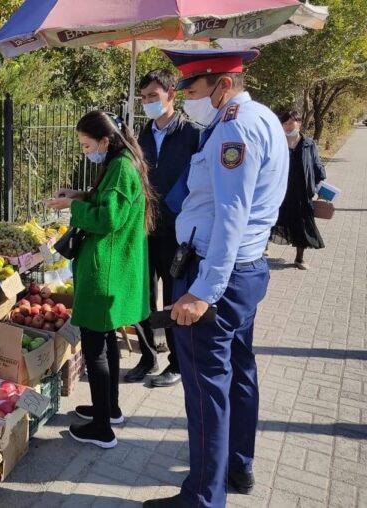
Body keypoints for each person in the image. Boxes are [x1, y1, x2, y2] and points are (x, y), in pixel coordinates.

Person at [143, 49, 288, 508]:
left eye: (192, 89)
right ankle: (237, 467)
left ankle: (203, 499)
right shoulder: (261, 117)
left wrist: (204, 291)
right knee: (239, 372)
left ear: (222, 85)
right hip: (244, 271)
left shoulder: (234, 127)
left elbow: (231, 213)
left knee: (206, 390)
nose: (187, 99)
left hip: (214, 274)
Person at [46, 111, 154, 449]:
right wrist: (77, 195)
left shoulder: (121, 167)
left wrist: (71, 208)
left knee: (95, 347)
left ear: (105, 141)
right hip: (111, 265)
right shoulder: (122, 161)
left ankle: (102, 429)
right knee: (107, 341)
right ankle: (110, 408)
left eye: (87, 145)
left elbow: (108, 217)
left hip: (105, 269)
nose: (85, 152)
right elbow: (107, 201)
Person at [126, 69, 201, 387]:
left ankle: (176, 361)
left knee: (173, 297)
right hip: (143, 228)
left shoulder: (193, 134)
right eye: (143, 98)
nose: (147, 103)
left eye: (153, 97)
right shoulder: (139, 135)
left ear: (172, 94)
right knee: (141, 296)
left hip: (177, 232)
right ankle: (147, 356)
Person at [269, 110, 326, 269]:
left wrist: (321, 192)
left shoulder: (309, 144)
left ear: (299, 124)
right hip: (278, 191)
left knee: (302, 225)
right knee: (269, 220)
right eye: (285, 123)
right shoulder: (276, 142)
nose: (287, 126)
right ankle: (261, 249)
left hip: (301, 192)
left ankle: (299, 259)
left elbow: (317, 167)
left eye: (291, 123)